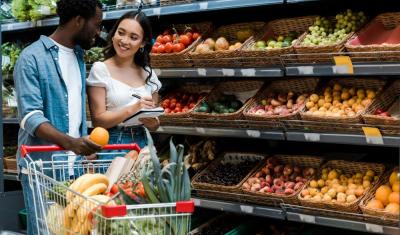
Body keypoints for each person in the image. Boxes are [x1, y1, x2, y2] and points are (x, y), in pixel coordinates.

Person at [13, 0, 103, 234]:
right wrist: (71, 143)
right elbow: (31, 118)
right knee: (46, 231)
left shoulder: (78, 56)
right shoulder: (31, 57)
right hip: (43, 168)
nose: (99, 31)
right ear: (79, 21)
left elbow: (73, 109)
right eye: (97, 24)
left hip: (75, 167)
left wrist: (81, 141)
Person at [87, 11, 161, 151]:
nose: (124, 41)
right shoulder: (100, 70)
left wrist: (152, 122)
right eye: (121, 33)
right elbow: (98, 120)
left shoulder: (148, 74)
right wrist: (133, 109)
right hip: (115, 144)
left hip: (144, 144)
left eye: (133, 37)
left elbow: (155, 122)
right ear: (114, 34)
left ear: (142, 43)